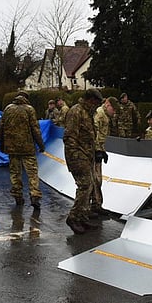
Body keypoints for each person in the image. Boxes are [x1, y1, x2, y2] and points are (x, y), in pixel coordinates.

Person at [63, 88, 104, 234]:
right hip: (78, 157)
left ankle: (82, 217)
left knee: (90, 185)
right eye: (97, 103)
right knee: (84, 186)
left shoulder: (87, 112)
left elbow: (89, 136)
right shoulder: (76, 112)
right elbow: (70, 137)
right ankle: (73, 217)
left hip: (87, 156)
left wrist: (97, 151)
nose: (97, 106)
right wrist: (76, 157)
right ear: (91, 100)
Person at [0, 91, 45, 209]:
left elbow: (1, 127)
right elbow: (35, 129)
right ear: (26, 99)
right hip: (27, 147)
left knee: (15, 172)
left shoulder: (8, 109)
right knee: (32, 172)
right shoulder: (29, 109)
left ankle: (17, 196)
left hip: (11, 148)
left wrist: (1, 144)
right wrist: (40, 144)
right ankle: (34, 196)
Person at [92, 97, 119, 216]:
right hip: (93, 151)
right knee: (94, 180)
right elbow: (94, 133)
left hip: (98, 149)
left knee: (98, 180)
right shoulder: (99, 114)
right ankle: (92, 206)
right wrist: (97, 150)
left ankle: (97, 204)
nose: (114, 113)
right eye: (113, 109)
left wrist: (103, 150)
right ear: (107, 105)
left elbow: (101, 137)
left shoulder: (105, 116)